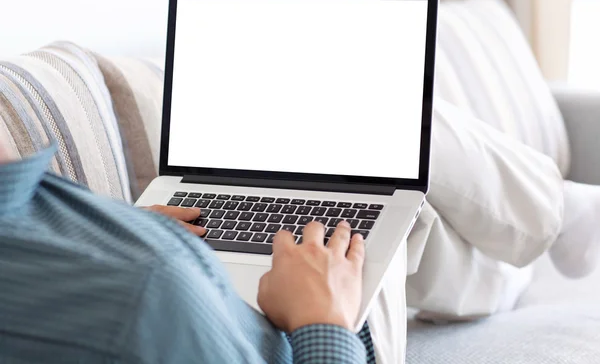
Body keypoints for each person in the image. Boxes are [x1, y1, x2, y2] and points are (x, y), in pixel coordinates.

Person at [0, 144, 376, 363]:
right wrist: (323, 321)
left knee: (418, 222)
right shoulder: (148, 291)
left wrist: (128, 226)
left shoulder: (26, 195)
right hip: (314, 336)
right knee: (399, 238)